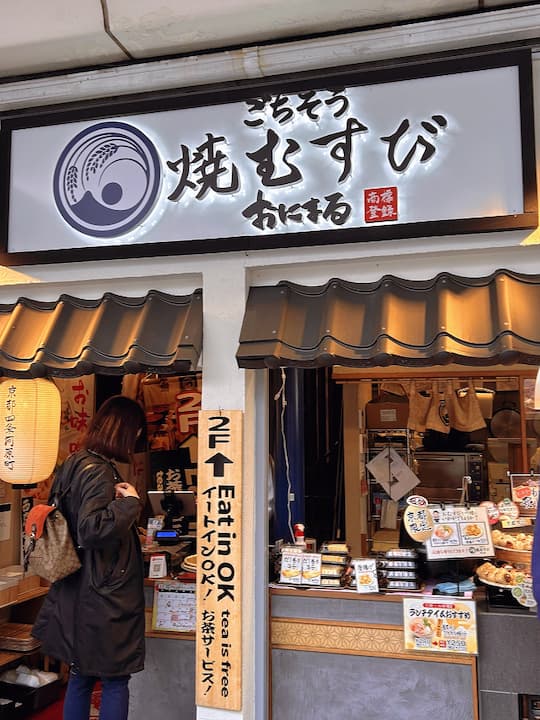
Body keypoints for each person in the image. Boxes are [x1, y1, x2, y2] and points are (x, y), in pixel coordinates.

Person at [32, 395, 148, 720]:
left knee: (81, 674)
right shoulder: (99, 472)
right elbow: (91, 530)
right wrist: (130, 503)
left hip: (77, 584)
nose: (137, 438)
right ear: (125, 431)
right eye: (136, 431)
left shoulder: (74, 462)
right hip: (102, 594)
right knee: (114, 678)